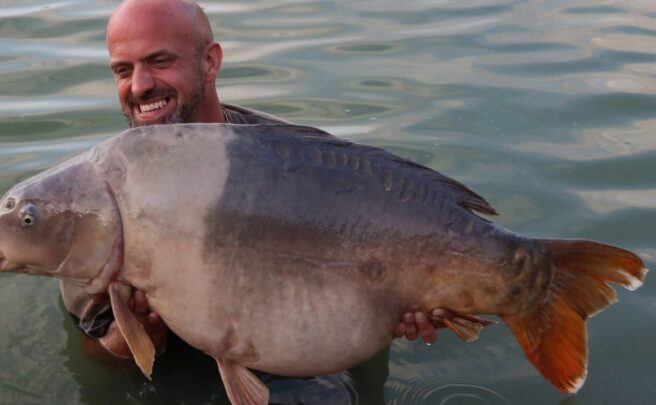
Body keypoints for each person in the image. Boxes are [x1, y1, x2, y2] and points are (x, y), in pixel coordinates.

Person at [60, 0, 456, 402]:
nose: (140, 85)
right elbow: (95, 353)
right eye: (123, 70)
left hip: (299, 360)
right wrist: (132, 337)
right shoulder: (92, 206)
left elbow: (373, 277)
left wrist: (405, 300)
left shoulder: (302, 162)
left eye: (159, 61)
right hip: (175, 372)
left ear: (210, 62)